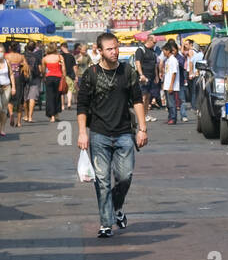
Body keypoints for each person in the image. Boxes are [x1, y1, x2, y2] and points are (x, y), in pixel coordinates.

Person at [76, 32, 147, 238]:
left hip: (125, 134)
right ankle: (106, 223)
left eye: (116, 47)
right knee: (103, 180)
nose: (114, 52)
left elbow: (137, 100)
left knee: (125, 177)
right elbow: (82, 106)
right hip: (99, 135)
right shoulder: (91, 74)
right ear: (99, 51)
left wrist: (142, 128)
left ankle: (116, 208)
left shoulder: (128, 71)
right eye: (109, 49)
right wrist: (82, 133)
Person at [135, 35, 161, 123]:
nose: (155, 44)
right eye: (154, 42)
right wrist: (141, 75)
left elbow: (155, 65)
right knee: (143, 97)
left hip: (151, 76)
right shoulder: (140, 50)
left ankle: (145, 114)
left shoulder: (153, 51)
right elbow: (137, 63)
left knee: (148, 97)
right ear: (149, 41)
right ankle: (141, 115)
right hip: (144, 77)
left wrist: (156, 76)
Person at [42, 42, 66, 122]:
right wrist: (64, 77)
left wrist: (44, 76)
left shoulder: (45, 58)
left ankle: (51, 115)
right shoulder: (60, 57)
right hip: (58, 77)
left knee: (50, 97)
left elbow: (43, 70)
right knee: (57, 96)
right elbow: (63, 68)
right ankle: (56, 114)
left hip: (49, 77)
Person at [5, 41, 26, 128]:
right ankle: (19, 122)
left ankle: (11, 113)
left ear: (10, 48)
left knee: (9, 99)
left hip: (8, 78)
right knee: (20, 100)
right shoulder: (21, 56)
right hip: (19, 78)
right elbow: (26, 67)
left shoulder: (7, 56)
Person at [161, 39, 182, 125]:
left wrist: (171, 86)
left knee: (172, 102)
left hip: (171, 85)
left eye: (164, 51)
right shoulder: (168, 60)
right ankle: (170, 116)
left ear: (168, 51)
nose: (163, 53)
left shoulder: (173, 60)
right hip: (167, 84)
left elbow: (174, 73)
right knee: (168, 103)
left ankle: (173, 118)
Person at [23, 41, 43, 123]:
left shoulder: (23, 55)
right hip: (35, 78)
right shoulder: (37, 56)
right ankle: (30, 117)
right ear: (35, 48)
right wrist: (42, 75)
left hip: (24, 78)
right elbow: (40, 69)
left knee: (25, 98)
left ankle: (26, 115)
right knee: (32, 98)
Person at [62, 43, 79, 111]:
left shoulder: (60, 56)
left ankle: (62, 105)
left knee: (62, 90)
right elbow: (75, 67)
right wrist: (76, 76)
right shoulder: (71, 56)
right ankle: (69, 103)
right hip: (70, 75)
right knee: (70, 90)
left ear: (62, 47)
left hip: (62, 75)